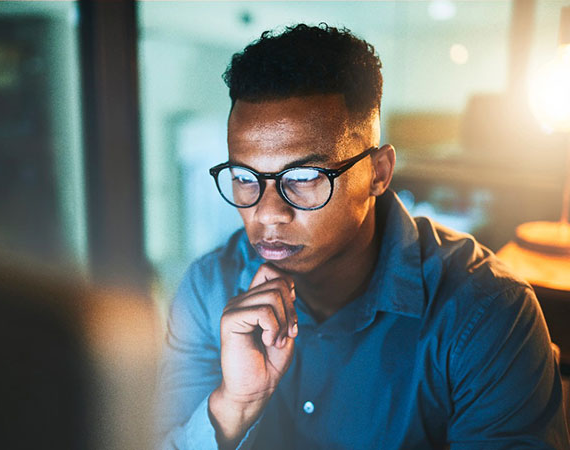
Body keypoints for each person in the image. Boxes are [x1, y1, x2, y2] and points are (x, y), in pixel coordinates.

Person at [155, 23, 570, 449]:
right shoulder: (208, 291)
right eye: (244, 177)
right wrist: (235, 405)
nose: (268, 212)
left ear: (378, 173)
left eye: (303, 177)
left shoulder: (486, 314)